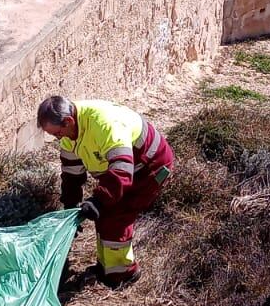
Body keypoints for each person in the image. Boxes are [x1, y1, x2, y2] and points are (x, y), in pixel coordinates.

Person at [36, 95, 173, 285]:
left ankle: (124, 274)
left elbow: (121, 169)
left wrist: (99, 200)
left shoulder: (104, 124)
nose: (57, 138)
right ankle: (107, 268)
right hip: (124, 170)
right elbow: (71, 174)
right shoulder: (71, 132)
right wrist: (70, 204)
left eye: (57, 133)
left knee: (116, 216)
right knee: (104, 214)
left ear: (68, 121)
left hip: (148, 168)